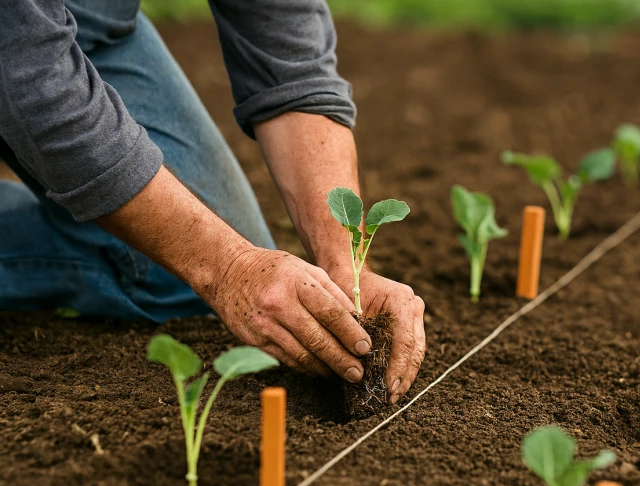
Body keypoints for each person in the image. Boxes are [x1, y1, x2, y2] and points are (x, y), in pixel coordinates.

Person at [0, 0, 425, 403]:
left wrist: (344, 263)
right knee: (195, 263)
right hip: (19, 42)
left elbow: (289, 51)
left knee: (181, 273)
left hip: (90, 23)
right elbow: (32, 78)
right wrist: (227, 268)